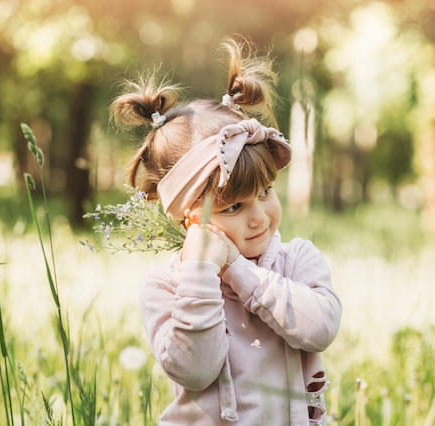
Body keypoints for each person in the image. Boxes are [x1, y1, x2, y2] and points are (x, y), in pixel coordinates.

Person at [111, 37, 342, 425]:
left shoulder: (296, 259)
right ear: (189, 217)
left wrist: (237, 268)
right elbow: (196, 370)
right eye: (234, 206)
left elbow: (319, 330)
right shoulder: (167, 285)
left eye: (266, 192)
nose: (259, 217)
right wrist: (201, 273)